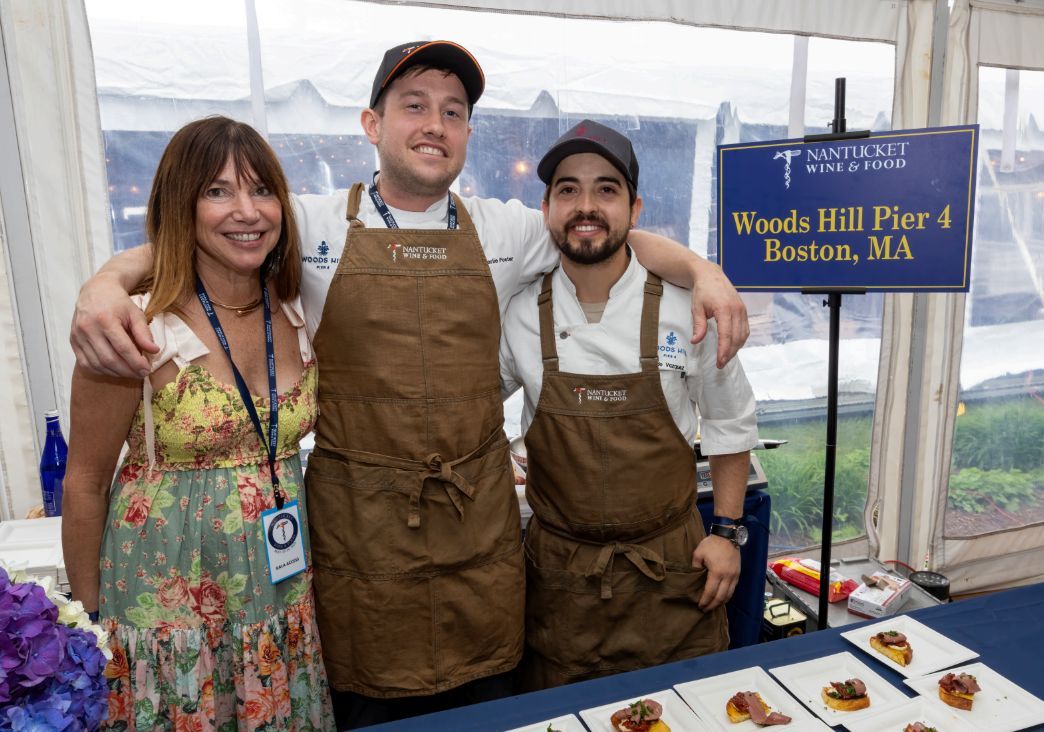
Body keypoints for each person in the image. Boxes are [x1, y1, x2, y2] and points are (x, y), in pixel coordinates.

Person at [68, 42, 750, 728]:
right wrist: (107, 282)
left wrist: (703, 271)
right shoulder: (308, 223)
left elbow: (604, 232)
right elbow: (206, 227)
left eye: (453, 111)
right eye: (414, 106)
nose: (435, 124)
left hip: (475, 535)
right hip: (361, 539)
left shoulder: (506, 227)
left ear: (468, 135)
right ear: (372, 124)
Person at [61, 117, 334, 729]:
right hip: (166, 617)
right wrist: (92, 630)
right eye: (217, 191)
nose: (247, 210)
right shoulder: (133, 325)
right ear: (179, 204)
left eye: (261, 189)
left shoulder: (296, 308)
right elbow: (82, 481)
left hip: (277, 594)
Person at [499, 120, 759, 689]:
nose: (585, 206)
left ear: (634, 208)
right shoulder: (519, 313)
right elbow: (466, 408)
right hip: (561, 584)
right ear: (546, 209)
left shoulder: (686, 309)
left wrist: (727, 532)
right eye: (568, 189)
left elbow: (729, 421)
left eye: (606, 189)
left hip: (673, 574)